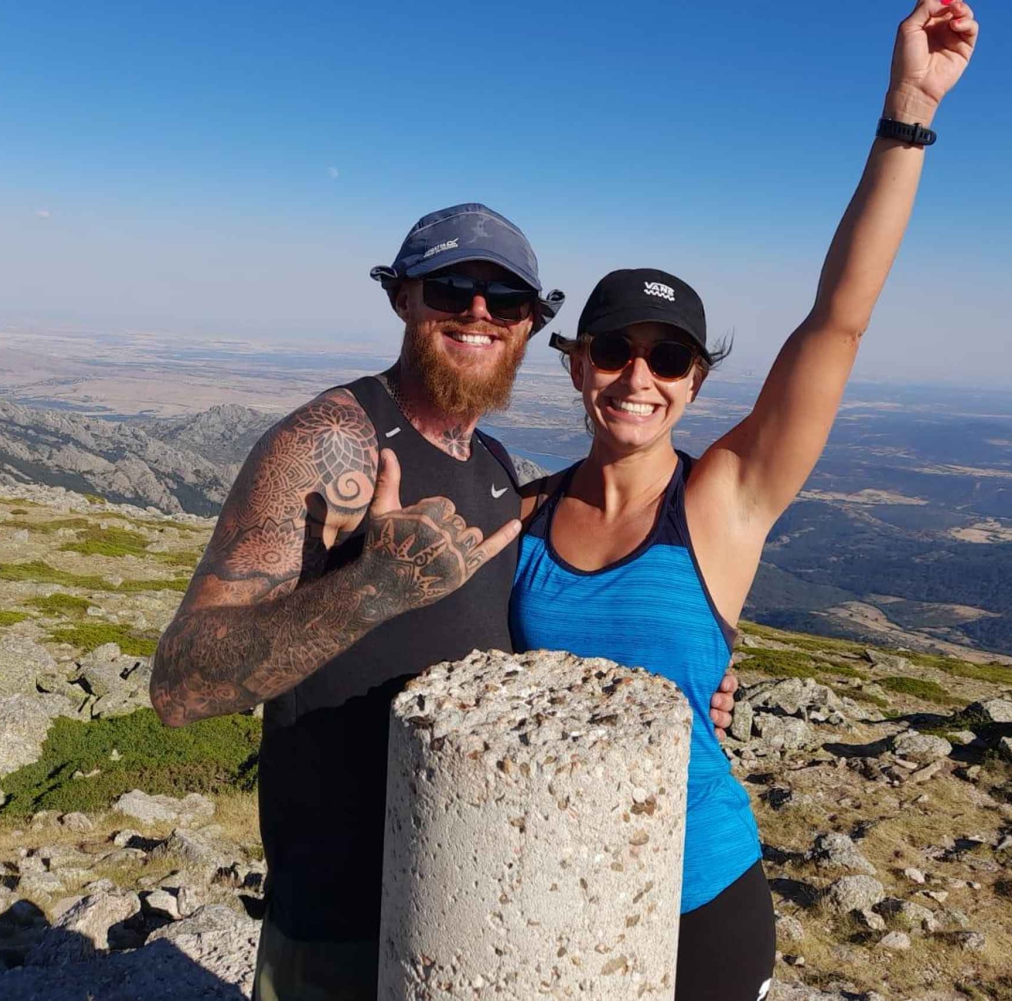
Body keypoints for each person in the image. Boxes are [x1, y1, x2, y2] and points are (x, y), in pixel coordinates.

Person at [148, 203, 740, 1000]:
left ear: (531, 324)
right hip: (339, 923)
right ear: (403, 298)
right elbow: (178, 684)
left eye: (508, 300)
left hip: (474, 913)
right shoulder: (331, 444)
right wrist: (367, 591)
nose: (479, 313)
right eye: (451, 289)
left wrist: (698, 675)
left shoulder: (497, 471)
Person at [509, 3, 979, 999]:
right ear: (578, 365)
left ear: (695, 381)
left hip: (700, 892)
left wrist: (909, 110)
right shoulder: (524, 515)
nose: (639, 376)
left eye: (669, 358)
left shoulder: (724, 497)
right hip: (547, 881)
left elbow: (838, 322)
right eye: (614, 350)